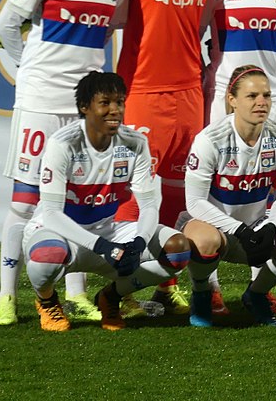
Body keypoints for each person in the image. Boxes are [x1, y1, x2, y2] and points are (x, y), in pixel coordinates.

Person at [0, 0, 130, 326]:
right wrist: (29, 71)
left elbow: (111, 29)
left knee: (79, 200)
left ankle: (77, 295)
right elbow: (7, 25)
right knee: (25, 201)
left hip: (85, 108)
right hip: (39, 102)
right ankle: (7, 297)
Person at [113, 0, 215, 314]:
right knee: (136, 192)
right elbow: (113, 15)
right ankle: (123, 290)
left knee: (178, 193)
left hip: (189, 91)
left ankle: (164, 285)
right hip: (143, 90)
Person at [21, 72, 191, 331]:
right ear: (84, 107)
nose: (115, 110)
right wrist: (102, 247)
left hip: (108, 230)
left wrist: (139, 242)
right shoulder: (63, 144)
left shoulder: (135, 142)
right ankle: (47, 301)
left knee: (177, 249)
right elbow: (53, 214)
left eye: (120, 102)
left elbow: (148, 205)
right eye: (105, 103)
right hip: (57, 231)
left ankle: (111, 297)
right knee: (47, 256)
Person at [181, 66, 276, 327]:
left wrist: (271, 226)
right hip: (214, 227)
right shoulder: (210, 140)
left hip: (257, 226)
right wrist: (239, 230)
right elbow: (194, 203)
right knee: (203, 241)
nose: (261, 102)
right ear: (232, 100)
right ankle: (202, 293)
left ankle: (256, 293)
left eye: (267, 96)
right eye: (252, 96)